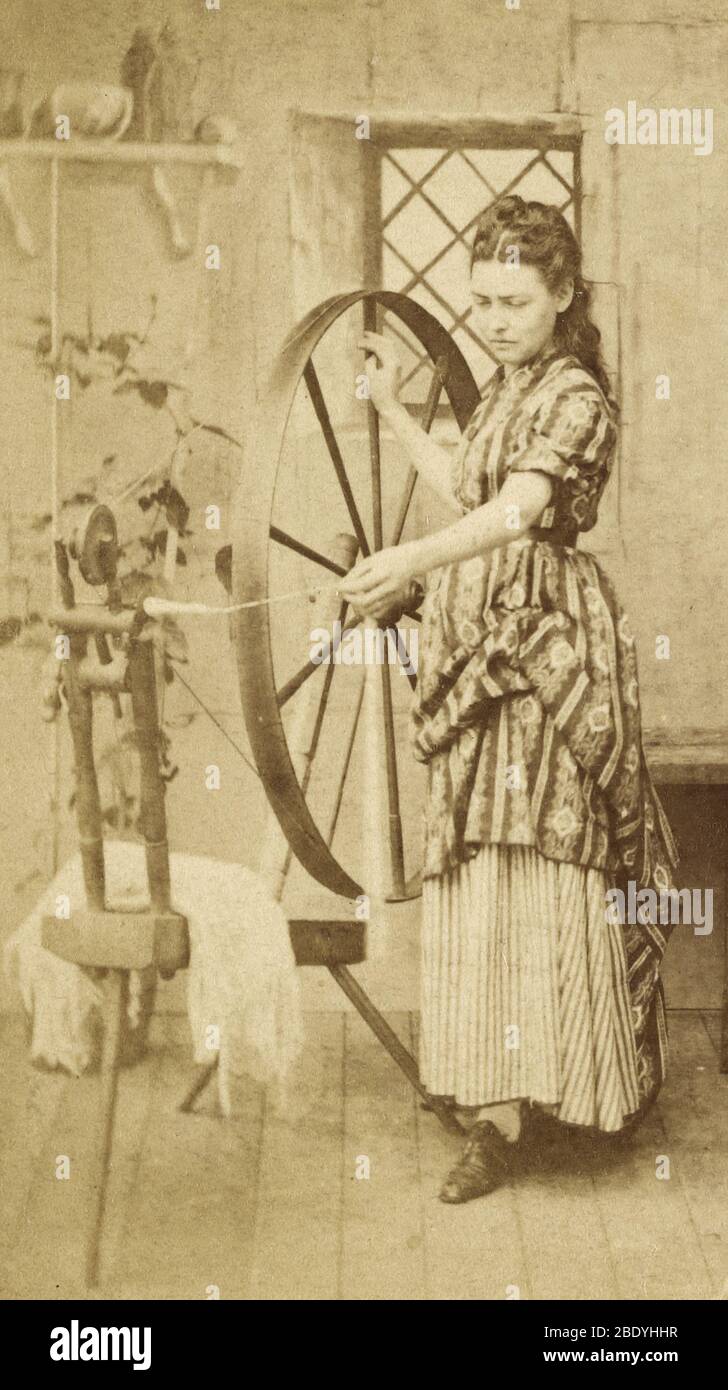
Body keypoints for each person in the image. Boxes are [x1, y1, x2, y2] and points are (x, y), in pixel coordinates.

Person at [341, 195, 678, 1204]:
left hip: (544, 656)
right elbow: (465, 482)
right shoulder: (505, 389)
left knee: (543, 851)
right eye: (478, 300)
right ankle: (494, 1104)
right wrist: (394, 409)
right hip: (472, 644)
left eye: (512, 301)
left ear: (562, 295)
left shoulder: (577, 398)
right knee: (479, 861)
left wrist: (405, 557)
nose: (489, 319)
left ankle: (561, 1095)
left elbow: (515, 511)